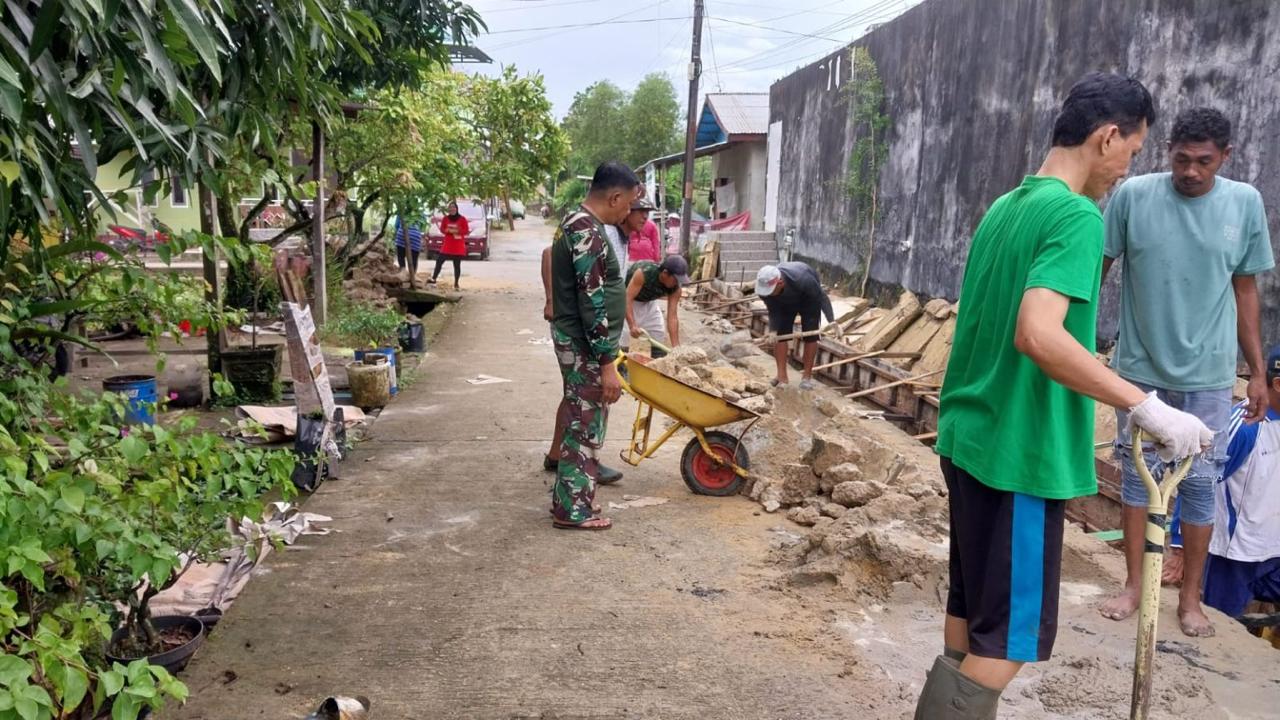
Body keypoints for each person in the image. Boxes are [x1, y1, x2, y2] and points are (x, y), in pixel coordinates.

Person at [915, 73, 1213, 719]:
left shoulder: (1006, 207)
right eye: (1132, 153)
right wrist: (1145, 405)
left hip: (970, 440)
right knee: (1012, 637)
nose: (1125, 170)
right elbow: (1038, 334)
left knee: (970, 619)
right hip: (1019, 454)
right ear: (1108, 137)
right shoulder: (1078, 216)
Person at [1097, 107, 1274, 638]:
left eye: (1203, 162)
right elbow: (1099, 268)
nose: (1191, 172)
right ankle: (1133, 585)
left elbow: (1246, 290)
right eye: (1181, 160)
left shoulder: (1244, 203)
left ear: (1225, 157)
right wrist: (1079, 345)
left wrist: (1258, 374)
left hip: (1210, 375)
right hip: (1138, 369)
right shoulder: (1133, 197)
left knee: (1199, 485)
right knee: (1135, 477)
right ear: (1167, 151)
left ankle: (1191, 598)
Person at [547, 161, 639, 530]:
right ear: (614, 197)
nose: (629, 211)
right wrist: (606, 363)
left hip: (578, 340)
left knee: (580, 418)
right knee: (583, 424)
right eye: (629, 203)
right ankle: (572, 511)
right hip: (583, 344)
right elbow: (593, 301)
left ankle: (572, 501)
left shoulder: (576, 224)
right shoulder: (586, 231)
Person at [1201, 345, 1280, 620]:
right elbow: (1202, 481)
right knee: (1220, 626)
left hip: (1274, 551)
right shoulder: (1245, 426)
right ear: (1278, 384)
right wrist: (1179, 545)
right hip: (1234, 556)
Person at [540, 241, 623, 485]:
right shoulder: (600, 230)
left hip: (589, 334)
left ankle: (557, 455)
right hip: (579, 332)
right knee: (588, 396)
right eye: (633, 207)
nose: (639, 216)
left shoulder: (619, 235)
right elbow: (549, 253)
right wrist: (550, 299)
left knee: (573, 395)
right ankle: (584, 464)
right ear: (615, 200)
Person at [754, 261, 835, 390]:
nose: (767, 294)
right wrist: (773, 331)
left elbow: (822, 298)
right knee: (780, 335)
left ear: (780, 283)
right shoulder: (764, 289)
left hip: (808, 300)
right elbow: (773, 309)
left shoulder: (804, 279)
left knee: (811, 334)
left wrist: (832, 321)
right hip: (784, 302)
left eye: (770, 291)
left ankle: (806, 378)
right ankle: (782, 377)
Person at [623, 255, 689, 358]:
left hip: (649, 302)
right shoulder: (644, 273)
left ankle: (658, 363)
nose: (677, 283)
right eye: (675, 279)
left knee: (658, 331)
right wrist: (632, 325)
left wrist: (676, 348)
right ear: (665, 273)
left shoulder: (675, 289)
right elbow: (627, 298)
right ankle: (620, 367)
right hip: (627, 300)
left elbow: (672, 316)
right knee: (623, 333)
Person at [431, 201, 470, 290]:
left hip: (458, 246)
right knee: (439, 261)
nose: (452, 209)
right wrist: (447, 231)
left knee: (457, 265)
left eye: (454, 207)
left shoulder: (462, 219)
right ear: (448, 209)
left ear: (456, 209)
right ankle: (434, 279)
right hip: (447, 245)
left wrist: (457, 231)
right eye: (450, 207)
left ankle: (456, 283)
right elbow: (442, 229)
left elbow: (466, 231)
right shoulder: (445, 219)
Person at [626, 198, 662, 265]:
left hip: (646, 259)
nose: (645, 216)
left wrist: (656, 260)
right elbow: (656, 244)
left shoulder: (650, 225)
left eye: (647, 212)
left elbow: (656, 244)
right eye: (641, 211)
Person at [392, 214, 424, 288]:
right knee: (414, 259)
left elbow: (396, 225)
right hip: (415, 237)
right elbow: (422, 227)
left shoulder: (401, 211)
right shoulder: (419, 213)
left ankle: (403, 273)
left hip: (401, 235)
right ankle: (412, 277)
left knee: (401, 256)